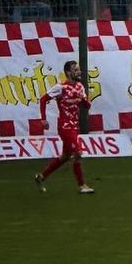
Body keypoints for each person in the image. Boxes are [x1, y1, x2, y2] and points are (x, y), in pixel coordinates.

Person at [34, 60, 93, 194]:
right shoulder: (60, 87)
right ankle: (82, 185)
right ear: (68, 72)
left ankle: (41, 176)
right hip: (65, 126)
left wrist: (85, 101)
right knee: (78, 153)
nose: (79, 72)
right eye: (75, 70)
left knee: (66, 156)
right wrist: (43, 119)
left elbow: (86, 104)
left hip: (74, 125)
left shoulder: (80, 86)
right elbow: (43, 99)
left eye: (78, 69)